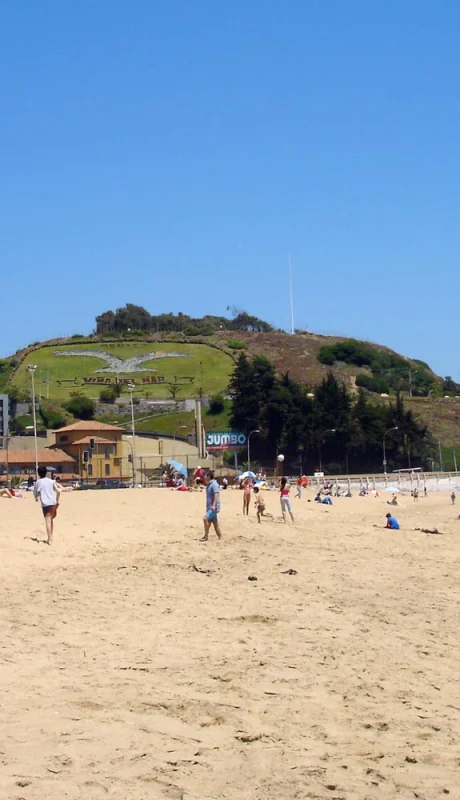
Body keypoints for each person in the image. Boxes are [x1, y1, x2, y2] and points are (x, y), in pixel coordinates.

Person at [33, 466, 62, 544]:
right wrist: (57, 500)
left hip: (46, 504)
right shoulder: (51, 481)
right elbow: (58, 490)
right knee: (51, 519)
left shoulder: (38, 482)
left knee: (48, 520)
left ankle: (49, 539)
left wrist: (36, 498)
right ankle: (51, 536)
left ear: (38, 474)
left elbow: (35, 492)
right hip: (53, 502)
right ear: (46, 473)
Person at [201, 470, 222, 541]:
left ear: (209, 476)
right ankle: (220, 537)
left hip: (213, 507)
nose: (204, 477)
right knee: (214, 523)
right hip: (210, 507)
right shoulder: (209, 484)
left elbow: (216, 494)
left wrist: (213, 505)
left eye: (205, 475)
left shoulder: (214, 484)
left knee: (205, 519)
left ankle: (206, 537)